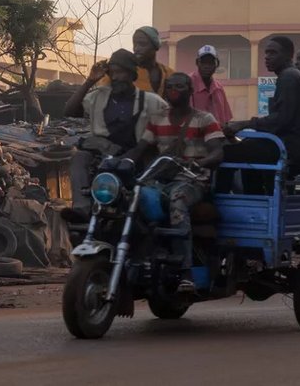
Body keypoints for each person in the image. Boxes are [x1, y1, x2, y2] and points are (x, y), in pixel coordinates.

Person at [124, 72, 225, 292]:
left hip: (193, 181)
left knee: (177, 203)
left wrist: (200, 164)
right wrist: (121, 163)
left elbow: (218, 153)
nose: (173, 90)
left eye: (179, 86)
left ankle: (185, 272)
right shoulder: (156, 117)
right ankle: (136, 258)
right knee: (128, 198)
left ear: (190, 91)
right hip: (159, 179)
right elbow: (141, 148)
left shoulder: (205, 119)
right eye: (169, 86)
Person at [62, 49, 168, 215]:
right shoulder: (98, 97)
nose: (115, 77)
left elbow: (164, 133)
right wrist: (90, 81)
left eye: (120, 72)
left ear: (132, 74)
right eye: (112, 73)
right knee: (80, 157)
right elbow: (69, 111)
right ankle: (82, 208)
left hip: (136, 161)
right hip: (104, 159)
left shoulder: (151, 101)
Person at [223, 36, 300, 182]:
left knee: (228, 152)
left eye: (273, 53)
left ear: (287, 56)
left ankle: (217, 197)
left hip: (297, 147)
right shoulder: (293, 76)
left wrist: (243, 124)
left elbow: (279, 121)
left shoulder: (289, 78)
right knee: (249, 154)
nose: (267, 57)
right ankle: (258, 198)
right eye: (266, 53)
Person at [98, 26, 174, 94]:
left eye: (142, 44)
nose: (137, 48)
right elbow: (102, 95)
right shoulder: (124, 72)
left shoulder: (169, 73)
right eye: (135, 44)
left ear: (155, 46)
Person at [190, 45, 233, 125]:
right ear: (197, 63)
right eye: (203, 62)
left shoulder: (218, 88)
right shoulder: (189, 83)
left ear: (217, 64)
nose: (206, 66)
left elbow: (225, 120)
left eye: (210, 63)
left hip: (216, 134)